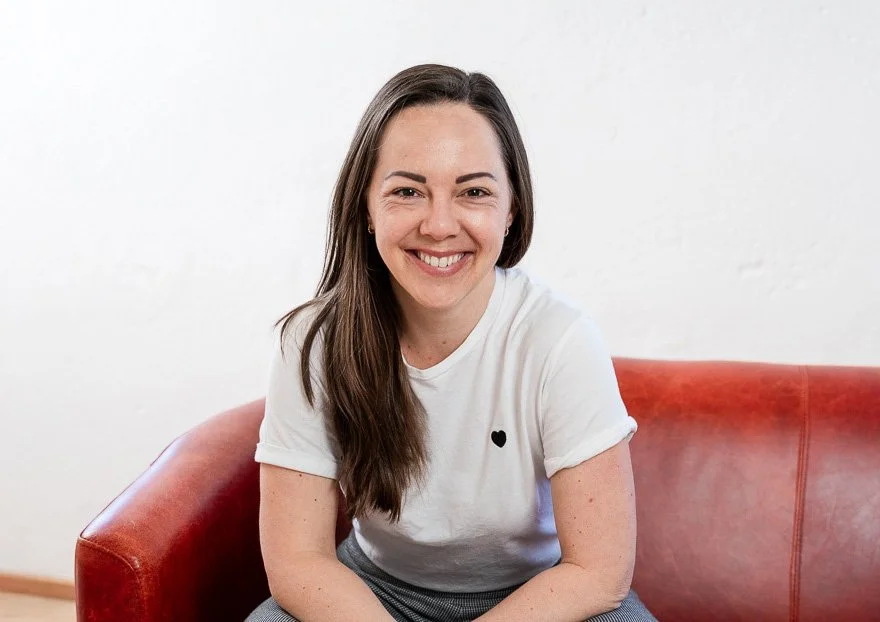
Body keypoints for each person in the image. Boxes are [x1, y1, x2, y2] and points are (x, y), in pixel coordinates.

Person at [246, 64, 656, 622]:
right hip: (372, 594)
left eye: (474, 192)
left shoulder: (560, 338)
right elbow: (299, 561)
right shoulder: (312, 341)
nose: (439, 226)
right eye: (407, 191)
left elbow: (597, 573)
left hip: (540, 597)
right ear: (366, 206)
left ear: (511, 209)